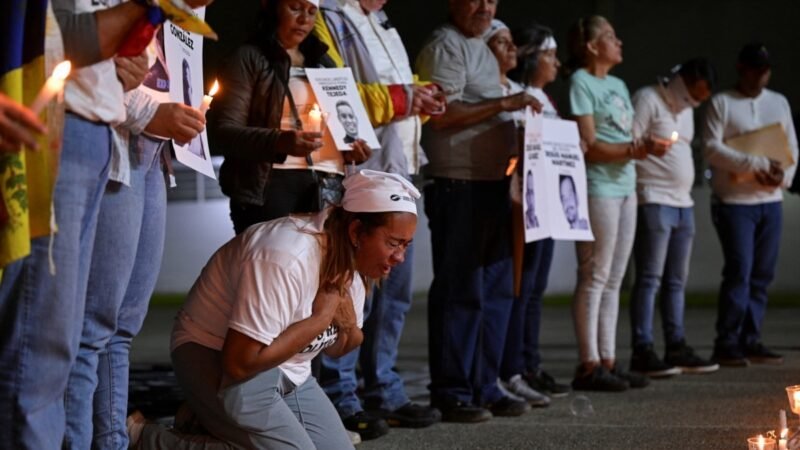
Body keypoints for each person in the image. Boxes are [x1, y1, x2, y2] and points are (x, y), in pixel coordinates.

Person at [0, 1, 211, 447]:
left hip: (101, 131)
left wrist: (132, 56)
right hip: (71, 126)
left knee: (73, 333)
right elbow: (60, 35)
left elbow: (110, 53)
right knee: (50, 336)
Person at [127, 170, 420, 449]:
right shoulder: (285, 256)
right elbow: (240, 363)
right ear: (357, 231)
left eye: (406, 245)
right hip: (213, 352)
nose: (400, 257)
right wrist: (320, 319)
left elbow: (337, 348)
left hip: (287, 370)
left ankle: (204, 417)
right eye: (394, 243)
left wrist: (347, 324)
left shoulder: (352, 265)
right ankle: (148, 438)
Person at [62, 42, 208, 448]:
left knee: (124, 324)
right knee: (94, 326)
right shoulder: (117, 15)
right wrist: (153, 113)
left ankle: (110, 439)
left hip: (153, 159)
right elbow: (83, 74)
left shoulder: (168, 28)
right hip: (114, 152)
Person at [314, 0, 444, 441]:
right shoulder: (329, 14)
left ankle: (382, 385)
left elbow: (393, 92)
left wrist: (420, 97)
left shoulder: (381, 21)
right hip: (363, 170)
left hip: (400, 167)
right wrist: (405, 97)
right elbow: (337, 92)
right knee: (353, 287)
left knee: (396, 290)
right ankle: (340, 392)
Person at [416, 0, 544, 423]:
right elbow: (441, 114)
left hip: (490, 183)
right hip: (458, 182)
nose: (485, 7)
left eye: (491, 0)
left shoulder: (481, 49)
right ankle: (452, 390)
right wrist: (504, 107)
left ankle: (485, 384)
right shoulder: (445, 45)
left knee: (495, 290)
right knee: (461, 291)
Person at [208, 0, 371, 235]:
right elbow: (224, 131)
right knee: (275, 269)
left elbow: (342, 124)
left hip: (329, 187)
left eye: (312, 12)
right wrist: (280, 141)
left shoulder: (325, 62)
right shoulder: (249, 57)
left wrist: (353, 149)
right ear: (271, 6)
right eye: (295, 8)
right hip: (271, 187)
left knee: (322, 270)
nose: (304, 19)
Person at [566, 15, 654, 392]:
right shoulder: (580, 82)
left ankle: (608, 359)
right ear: (591, 46)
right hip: (598, 186)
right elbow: (590, 146)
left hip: (625, 186)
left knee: (616, 278)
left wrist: (641, 147)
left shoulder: (618, 83)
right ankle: (588, 364)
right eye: (610, 37)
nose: (619, 42)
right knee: (595, 275)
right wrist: (636, 149)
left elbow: (622, 137)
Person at [703, 42, 798, 367]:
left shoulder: (778, 102)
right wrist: (755, 163)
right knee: (739, 271)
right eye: (754, 69)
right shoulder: (722, 103)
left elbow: (792, 148)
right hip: (734, 201)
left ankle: (751, 337)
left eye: (765, 70)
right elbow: (711, 148)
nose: (760, 76)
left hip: (770, 201)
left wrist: (782, 177)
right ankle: (727, 341)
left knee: (762, 273)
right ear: (741, 68)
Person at [494, 21, 571, 405]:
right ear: (529, 56)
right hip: (522, 206)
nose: (556, 64)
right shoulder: (513, 95)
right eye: (549, 55)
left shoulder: (544, 99)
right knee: (520, 290)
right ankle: (511, 367)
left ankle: (528, 362)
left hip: (547, 205)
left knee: (535, 291)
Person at [628, 58, 720, 378]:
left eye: (700, 99)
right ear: (681, 81)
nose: (695, 102)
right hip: (653, 199)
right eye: (693, 95)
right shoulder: (647, 99)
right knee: (650, 278)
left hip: (683, 203)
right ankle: (643, 348)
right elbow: (629, 143)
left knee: (676, 281)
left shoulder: (687, 110)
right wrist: (646, 148)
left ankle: (676, 345)